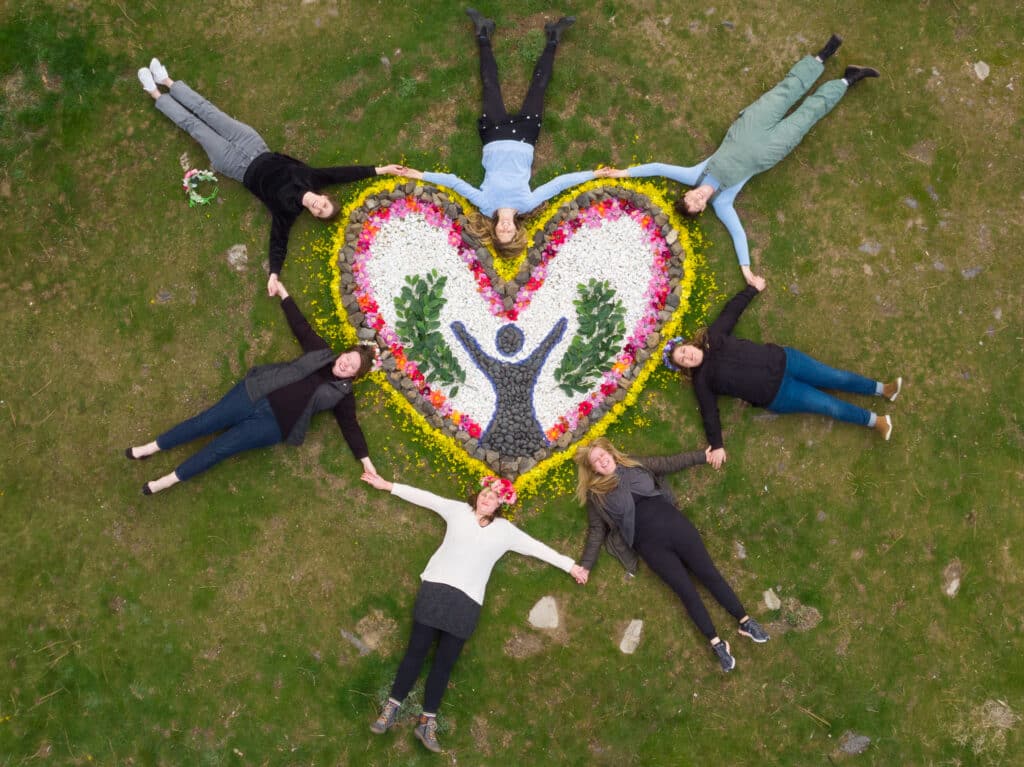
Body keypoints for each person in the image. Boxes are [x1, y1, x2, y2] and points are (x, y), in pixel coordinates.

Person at [595, 35, 880, 286]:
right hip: (772, 149)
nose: (697, 201)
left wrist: (621, 172)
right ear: (703, 209)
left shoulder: (694, 174)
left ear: (688, 193)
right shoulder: (723, 202)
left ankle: (822, 55)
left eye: (691, 200)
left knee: (783, 94)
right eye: (698, 207)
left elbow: (656, 168)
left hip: (749, 127)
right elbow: (738, 234)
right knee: (807, 115)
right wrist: (746, 271)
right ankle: (847, 79)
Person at [136, 58, 405, 294]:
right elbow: (345, 173)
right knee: (209, 111)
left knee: (195, 126)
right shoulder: (313, 178)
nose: (318, 206)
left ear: (314, 215)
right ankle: (167, 80)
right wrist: (381, 170)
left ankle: (153, 93)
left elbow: (278, 243)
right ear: (324, 196)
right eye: (324, 204)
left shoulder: (286, 212)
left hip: (234, 165)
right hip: (254, 144)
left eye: (319, 212)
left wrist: (274, 274)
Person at [362, 472, 587, 752]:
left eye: (493, 497)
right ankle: (391, 709)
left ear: (498, 505)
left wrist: (571, 566)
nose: (487, 498)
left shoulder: (506, 531)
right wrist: (388, 486)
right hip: (436, 591)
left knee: (444, 664)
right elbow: (426, 498)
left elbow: (537, 549)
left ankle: (426, 721)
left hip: (468, 602)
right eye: (485, 493)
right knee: (416, 652)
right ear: (478, 496)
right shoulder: (458, 511)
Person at [125, 279, 377, 494]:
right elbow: (301, 326)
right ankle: (150, 448)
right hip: (255, 392)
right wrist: (283, 293)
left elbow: (350, 425)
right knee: (203, 423)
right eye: (348, 358)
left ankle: (165, 481)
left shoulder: (343, 395)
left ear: (354, 375)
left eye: (352, 367)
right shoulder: (321, 351)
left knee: (219, 449)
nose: (345, 364)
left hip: (272, 426)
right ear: (344, 352)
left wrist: (365, 460)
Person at [394, 10, 595, 257]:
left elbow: (455, 183)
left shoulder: (486, 205)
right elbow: (559, 183)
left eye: (501, 233)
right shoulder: (526, 203)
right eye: (510, 233)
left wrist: (421, 174)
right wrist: (593, 173)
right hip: (525, 135)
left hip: (494, 134)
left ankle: (483, 33)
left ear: (495, 230)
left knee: (490, 85)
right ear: (517, 231)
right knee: (539, 87)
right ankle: (553, 37)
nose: (505, 228)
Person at [574, 438, 768, 672]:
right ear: (593, 469)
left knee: (709, 574)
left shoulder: (635, 463)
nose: (602, 460)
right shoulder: (597, 496)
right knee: (686, 592)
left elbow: (667, 463)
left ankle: (745, 622)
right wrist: (585, 565)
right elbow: (597, 531)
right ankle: (717, 644)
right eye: (596, 460)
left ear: (611, 453)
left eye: (603, 454)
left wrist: (702, 456)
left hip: (677, 527)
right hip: (651, 548)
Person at [664, 276, 901, 469]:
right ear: (685, 368)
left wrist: (753, 288)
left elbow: (731, 312)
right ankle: (876, 422)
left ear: (688, 344)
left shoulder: (713, 337)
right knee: (828, 406)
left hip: (787, 361)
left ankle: (883, 389)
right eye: (683, 360)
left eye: (684, 351)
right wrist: (716, 445)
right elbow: (709, 413)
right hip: (779, 395)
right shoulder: (702, 381)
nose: (688, 356)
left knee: (834, 377)